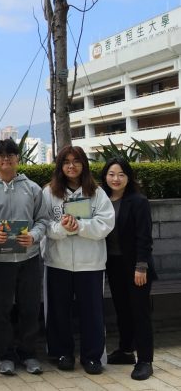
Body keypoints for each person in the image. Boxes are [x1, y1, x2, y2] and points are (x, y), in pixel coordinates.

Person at [42, 145, 114, 375]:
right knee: (59, 311)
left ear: (84, 164)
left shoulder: (97, 193)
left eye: (76, 161)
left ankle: (92, 357)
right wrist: (63, 228)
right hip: (58, 262)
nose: (71, 166)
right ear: (60, 166)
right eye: (66, 162)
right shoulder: (49, 193)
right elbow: (44, 225)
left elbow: (105, 224)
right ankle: (63, 353)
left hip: (90, 263)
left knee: (92, 312)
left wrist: (79, 226)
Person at [0, 139, 48, 376]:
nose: (6, 158)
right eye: (0, 155)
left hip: (29, 258)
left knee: (30, 308)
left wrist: (34, 236)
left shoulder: (32, 188)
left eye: (11, 154)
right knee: (1, 310)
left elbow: (43, 220)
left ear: (18, 158)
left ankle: (29, 353)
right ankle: (5, 355)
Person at [100, 158, 156, 380]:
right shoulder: (102, 200)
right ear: (105, 176)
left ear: (128, 177)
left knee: (139, 312)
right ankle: (125, 351)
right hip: (113, 264)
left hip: (136, 266)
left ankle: (145, 360)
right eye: (112, 174)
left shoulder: (138, 201)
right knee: (122, 310)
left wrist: (141, 266)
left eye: (121, 174)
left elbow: (145, 237)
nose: (116, 178)